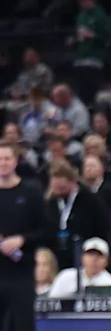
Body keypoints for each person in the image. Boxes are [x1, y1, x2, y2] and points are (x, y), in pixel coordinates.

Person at [0, 141, 52, 331]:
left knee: (22, 325)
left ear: (15, 161)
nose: (3, 163)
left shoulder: (31, 192)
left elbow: (46, 230)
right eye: (0, 159)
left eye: (7, 158)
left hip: (21, 273)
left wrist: (22, 239)